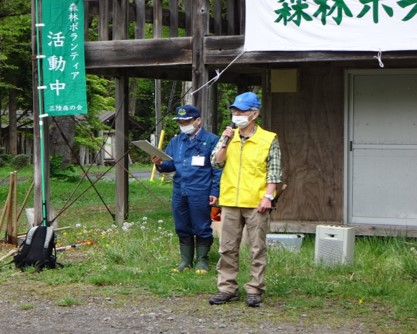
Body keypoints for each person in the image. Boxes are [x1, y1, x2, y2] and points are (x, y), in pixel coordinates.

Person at [208, 92, 282, 307]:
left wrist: (268, 197)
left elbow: (274, 172)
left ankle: (255, 289)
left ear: (254, 114)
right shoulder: (227, 136)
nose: (236, 114)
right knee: (227, 247)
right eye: (234, 110)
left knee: (257, 247)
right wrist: (225, 141)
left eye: (241, 111)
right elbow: (216, 163)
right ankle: (227, 288)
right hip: (230, 199)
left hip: (256, 202)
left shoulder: (269, 139)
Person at [152, 105, 222, 274]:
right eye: (180, 122)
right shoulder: (176, 141)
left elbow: (218, 169)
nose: (183, 124)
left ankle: (202, 260)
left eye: (187, 121)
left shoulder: (212, 140)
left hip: (201, 189)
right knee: (182, 224)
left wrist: (215, 191)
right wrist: (160, 164)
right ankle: (185, 260)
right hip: (179, 190)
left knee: (202, 225)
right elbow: (170, 164)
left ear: (198, 121)